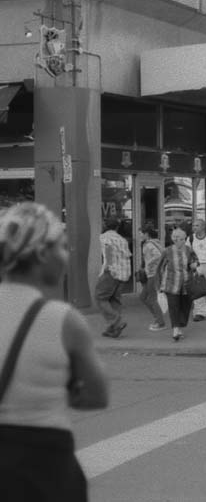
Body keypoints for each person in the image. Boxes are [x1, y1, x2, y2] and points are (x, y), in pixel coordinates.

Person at [0, 202, 109, 501]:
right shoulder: (63, 319)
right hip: (45, 465)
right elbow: (97, 396)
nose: (66, 256)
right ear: (40, 253)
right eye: (61, 247)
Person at [157, 228, 199, 342]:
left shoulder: (189, 250)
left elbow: (195, 261)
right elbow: (160, 268)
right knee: (173, 306)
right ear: (173, 239)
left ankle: (180, 326)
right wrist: (160, 285)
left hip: (186, 283)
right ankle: (175, 329)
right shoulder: (167, 251)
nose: (180, 241)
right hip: (171, 283)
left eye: (182, 239)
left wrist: (194, 265)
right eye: (178, 239)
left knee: (185, 307)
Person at [96, 217, 132, 339]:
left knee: (100, 297)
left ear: (106, 225)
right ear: (116, 227)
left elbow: (108, 251)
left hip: (112, 272)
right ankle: (113, 329)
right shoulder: (122, 239)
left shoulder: (105, 237)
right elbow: (127, 256)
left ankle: (117, 322)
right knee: (114, 300)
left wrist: (108, 268)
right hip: (124, 273)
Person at [138, 226, 166, 332]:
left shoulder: (149, 244)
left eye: (141, 233)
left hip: (153, 274)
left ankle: (160, 322)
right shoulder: (156, 242)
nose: (139, 235)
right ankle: (157, 318)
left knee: (152, 299)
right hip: (153, 274)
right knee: (143, 297)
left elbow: (158, 255)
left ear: (146, 234)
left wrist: (148, 264)